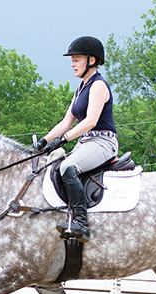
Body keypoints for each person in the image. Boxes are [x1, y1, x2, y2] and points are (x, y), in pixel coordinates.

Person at [32, 35, 118, 241]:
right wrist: (44, 141)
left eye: (77, 59)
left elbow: (90, 121)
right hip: (86, 142)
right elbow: (65, 122)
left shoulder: (98, 85)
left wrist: (63, 140)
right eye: (72, 60)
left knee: (68, 167)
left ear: (92, 60)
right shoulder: (81, 88)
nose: (72, 64)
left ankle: (81, 223)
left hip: (102, 142)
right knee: (53, 165)